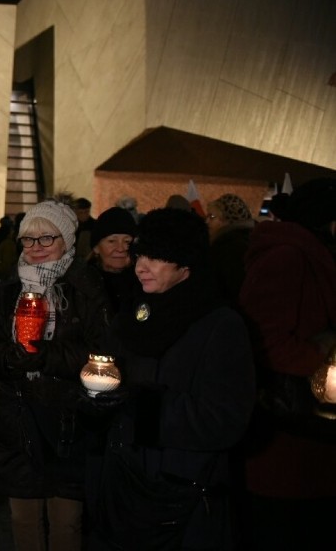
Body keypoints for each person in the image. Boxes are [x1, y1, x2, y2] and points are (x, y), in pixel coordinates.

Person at [83, 207, 256, 550]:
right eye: (140, 254)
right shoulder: (134, 313)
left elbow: (226, 418)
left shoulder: (220, 325)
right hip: (123, 487)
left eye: (157, 257)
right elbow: (105, 372)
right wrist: (94, 394)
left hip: (182, 496)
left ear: (186, 266)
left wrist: (141, 407)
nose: (141, 266)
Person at [0, 200, 110, 551]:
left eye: (46, 239)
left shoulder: (84, 288)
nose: (35, 248)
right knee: (24, 518)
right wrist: (11, 357)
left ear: (66, 240)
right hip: (17, 420)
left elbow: (101, 351)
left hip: (69, 420)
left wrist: (44, 357)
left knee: (66, 521)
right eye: (27, 240)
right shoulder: (7, 290)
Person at [238, 177, 336, 550]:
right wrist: (323, 354)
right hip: (288, 442)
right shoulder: (289, 257)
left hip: (312, 441)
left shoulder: (313, 254)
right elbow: (265, 342)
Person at [205, 193, 255, 311]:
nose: (207, 222)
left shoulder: (228, 248)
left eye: (212, 217)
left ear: (226, 220)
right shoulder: (248, 240)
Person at [86, 206, 138, 315]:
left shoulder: (144, 282)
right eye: (112, 241)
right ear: (96, 248)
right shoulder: (82, 283)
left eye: (127, 242)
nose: (120, 248)